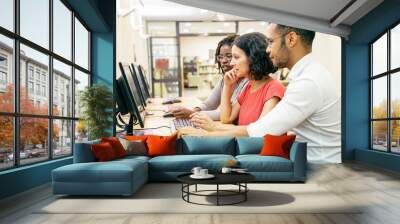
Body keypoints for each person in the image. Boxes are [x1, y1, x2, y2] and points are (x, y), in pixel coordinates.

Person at [179, 24, 341, 164]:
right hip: (306, 161)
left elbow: (262, 131)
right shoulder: (307, 76)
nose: (268, 50)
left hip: (318, 166)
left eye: (271, 42)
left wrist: (209, 130)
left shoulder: (308, 82)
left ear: (291, 39)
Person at [187, 32, 285, 133]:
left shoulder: (274, 88)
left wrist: (215, 128)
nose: (231, 63)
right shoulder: (249, 87)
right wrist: (227, 86)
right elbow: (226, 118)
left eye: (236, 57)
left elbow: (260, 130)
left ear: (253, 58)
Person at [171, 35, 248, 120]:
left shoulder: (248, 82)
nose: (223, 61)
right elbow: (209, 104)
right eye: (220, 57)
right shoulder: (225, 80)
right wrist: (192, 111)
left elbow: (228, 114)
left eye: (229, 56)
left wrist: (192, 114)